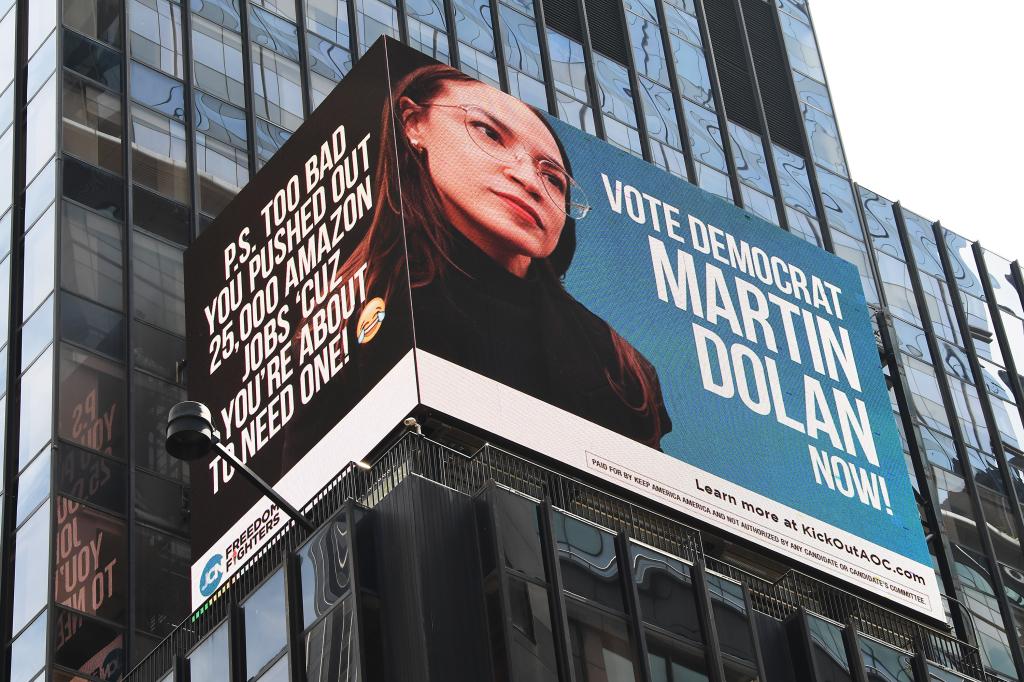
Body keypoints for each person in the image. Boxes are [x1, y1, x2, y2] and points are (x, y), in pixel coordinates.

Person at [348, 64, 672, 449]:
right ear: (414, 123)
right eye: (489, 132)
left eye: (553, 177)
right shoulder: (347, 310)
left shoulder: (622, 368)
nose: (529, 180)